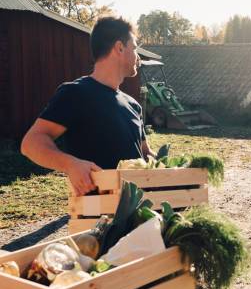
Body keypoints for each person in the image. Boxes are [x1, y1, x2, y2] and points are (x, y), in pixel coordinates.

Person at [21, 16, 153, 196]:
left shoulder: (133, 105)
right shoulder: (75, 93)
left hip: (140, 215)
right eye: (135, 48)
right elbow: (31, 143)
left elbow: (145, 154)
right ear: (120, 48)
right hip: (97, 219)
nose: (138, 56)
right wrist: (71, 164)